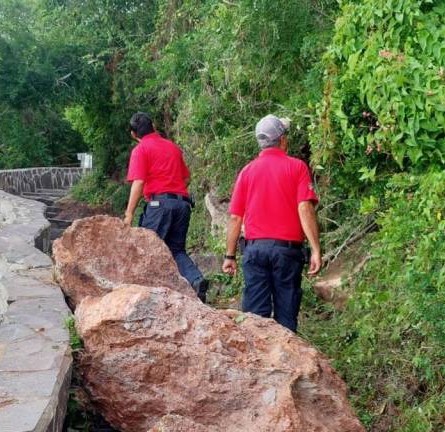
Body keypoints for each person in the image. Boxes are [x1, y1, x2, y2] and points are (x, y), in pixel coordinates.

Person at [222, 114, 321, 332]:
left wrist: (229, 256)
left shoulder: (247, 171)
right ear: (283, 140)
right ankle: (286, 361)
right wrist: (315, 249)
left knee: (255, 319)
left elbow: (235, 217)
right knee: (286, 316)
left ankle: (257, 362)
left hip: (255, 250)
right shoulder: (297, 167)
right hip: (287, 252)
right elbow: (304, 207)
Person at [124, 112, 209, 302]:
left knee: (148, 248)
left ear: (133, 134)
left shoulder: (141, 149)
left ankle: (148, 297)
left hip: (159, 205)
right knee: (176, 250)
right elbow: (186, 178)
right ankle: (196, 280)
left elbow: (138, 182)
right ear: (153, 126)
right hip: (182, 204)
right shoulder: (172, 147)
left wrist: (129, 213)